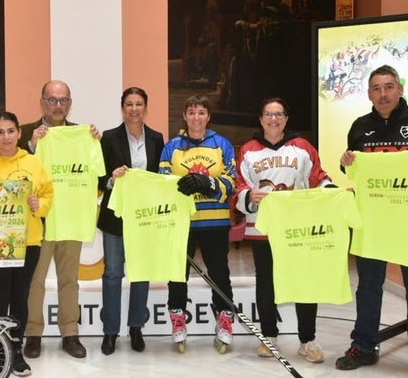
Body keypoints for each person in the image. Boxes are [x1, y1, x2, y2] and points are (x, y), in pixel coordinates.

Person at [336, 65, 408, 378]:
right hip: (373, 222)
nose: (383, 94)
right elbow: (352, 171)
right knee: (369, 287)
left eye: (389, 87)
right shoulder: (360, 127)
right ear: (369, 94)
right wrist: (345, 162)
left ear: (400, 89)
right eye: (376, 88)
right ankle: (363, 345)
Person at [233, 97, 333, 363]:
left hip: (297, 229)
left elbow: (318, 178)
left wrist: (332, 193)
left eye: (279, 114)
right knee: (266, 282)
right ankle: (269, 337)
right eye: (268, 114)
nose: (273, 119)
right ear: (261, 118)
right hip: (262, 228)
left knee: (304, 282)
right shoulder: (249, 150)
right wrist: (247, 195)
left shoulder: (302, 147)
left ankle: (308, 340)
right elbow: (239, 185)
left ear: (286, 119)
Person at [19, 80, 100, 359]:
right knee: (35, 280)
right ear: (42, 102)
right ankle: (33, 333)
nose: (57, 105)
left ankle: (70, 333)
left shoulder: (83, 134)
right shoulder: (28, 134)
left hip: (70, 218)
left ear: (70, 103)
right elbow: (15, 163)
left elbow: (98, 173)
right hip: (37, 220)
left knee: (69, 280)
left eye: (63, 100)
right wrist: (31, 144)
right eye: (52, 100)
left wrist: (94, 142)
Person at [0, 111, 53, 376]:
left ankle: (16, 352)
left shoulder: (34, 163)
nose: (6, 137)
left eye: (11, 131)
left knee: (20, 298)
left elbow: (48, 195)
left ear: (19, 132)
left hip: (28, 242)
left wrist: (39, 205)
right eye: (0, 132)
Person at [159, 94, 236, 353]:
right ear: (184, 116)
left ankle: (224, 321)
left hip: (214, 222)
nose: (196, 118)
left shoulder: (222, 144)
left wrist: (209, 183)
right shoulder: (172, 147)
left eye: (201, 112)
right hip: (183, 223)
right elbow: (164, 182)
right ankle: (178, 322)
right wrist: (180, 187)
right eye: (191, 112)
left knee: (219, 273)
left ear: (208, 116)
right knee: (177, 274)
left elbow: (231, 182)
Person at [97, 87, 164, 355]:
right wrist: (112, 178)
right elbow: (99, 178)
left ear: (145, 108)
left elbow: (162, 178)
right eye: (129, 104)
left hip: (145, 218)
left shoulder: (157, 139)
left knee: (141, 273)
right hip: (116, 217)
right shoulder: (109, 138)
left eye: (138, 104)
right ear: (122, 108)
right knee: (113, 274)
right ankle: (110, 331)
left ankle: (136, 327)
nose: (134, 109)